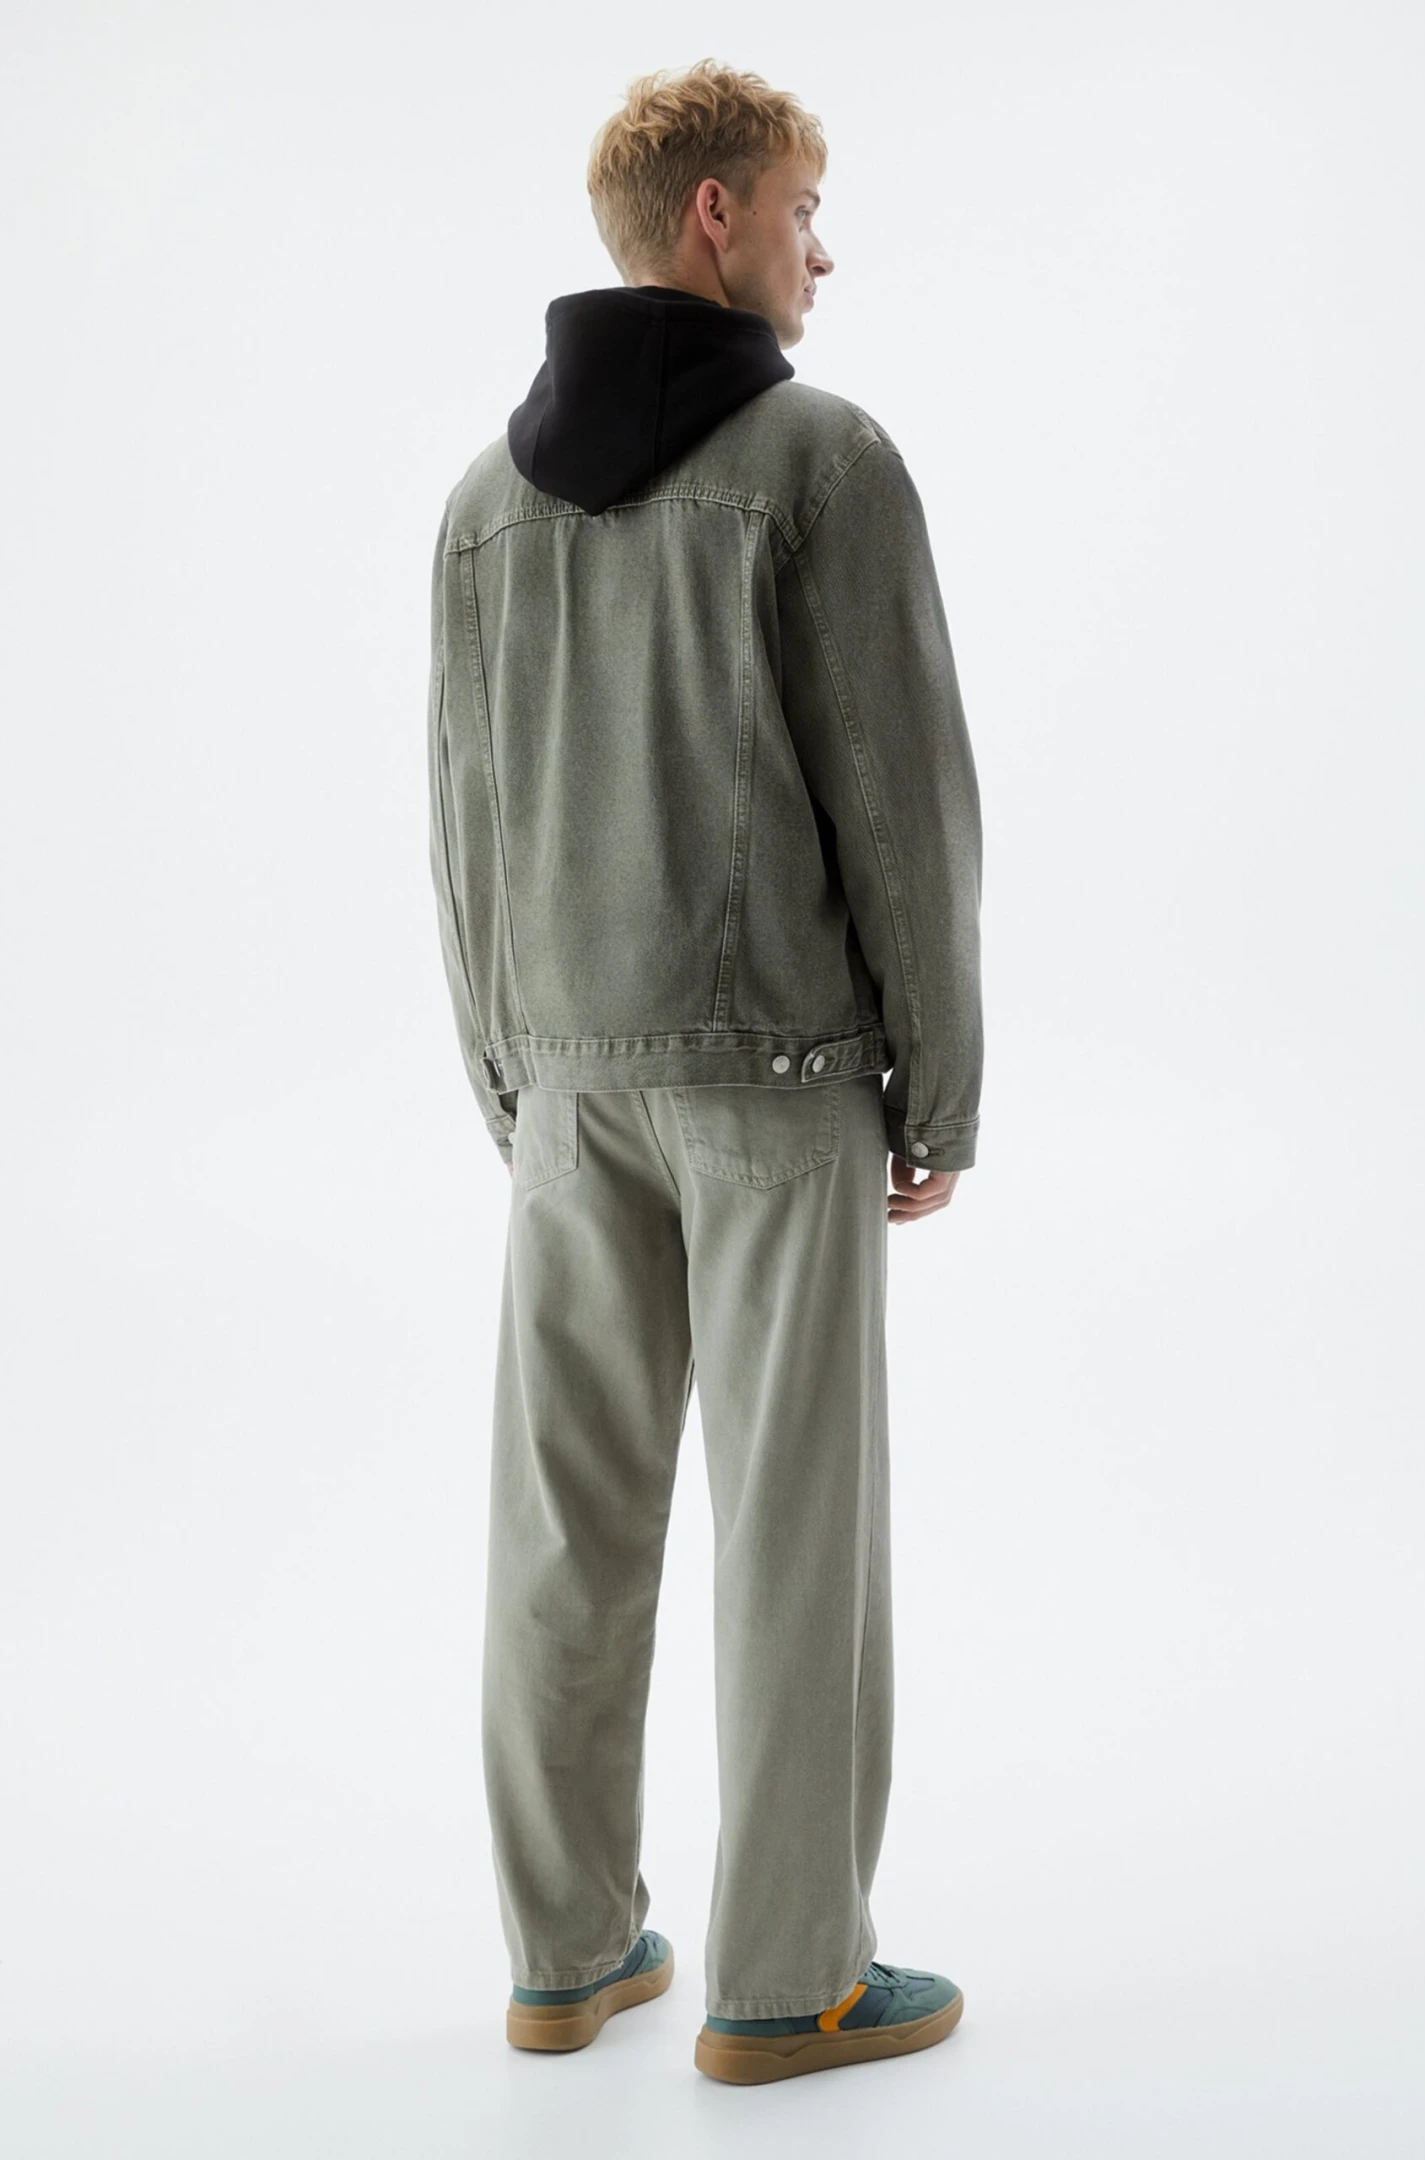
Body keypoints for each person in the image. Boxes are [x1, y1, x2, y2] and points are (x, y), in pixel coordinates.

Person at [426, 57, 983, 2085]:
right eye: (805, 211)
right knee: (795, 1531)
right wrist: (941, 1088)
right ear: (715, 218)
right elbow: (904, 807)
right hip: (780, 1074)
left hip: (570, 1085)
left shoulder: (485, 506)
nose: (827, 254)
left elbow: (467, 825)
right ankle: (788, 1980)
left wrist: (513, 1079)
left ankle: (566, 1958)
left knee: (564, 1531)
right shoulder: (821, 460)